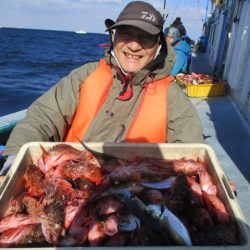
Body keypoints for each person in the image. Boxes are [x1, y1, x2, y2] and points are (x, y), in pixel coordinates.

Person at [0, 1, 204, 179]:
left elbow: (191, 150)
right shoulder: (84, 75)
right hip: (70, 178)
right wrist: (17, 157)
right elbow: (42, 118)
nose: (134, 45)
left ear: (159, 45)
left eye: (146, 38)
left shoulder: (172, 96)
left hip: (140, 189)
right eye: (126, 34)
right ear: (113, 36)